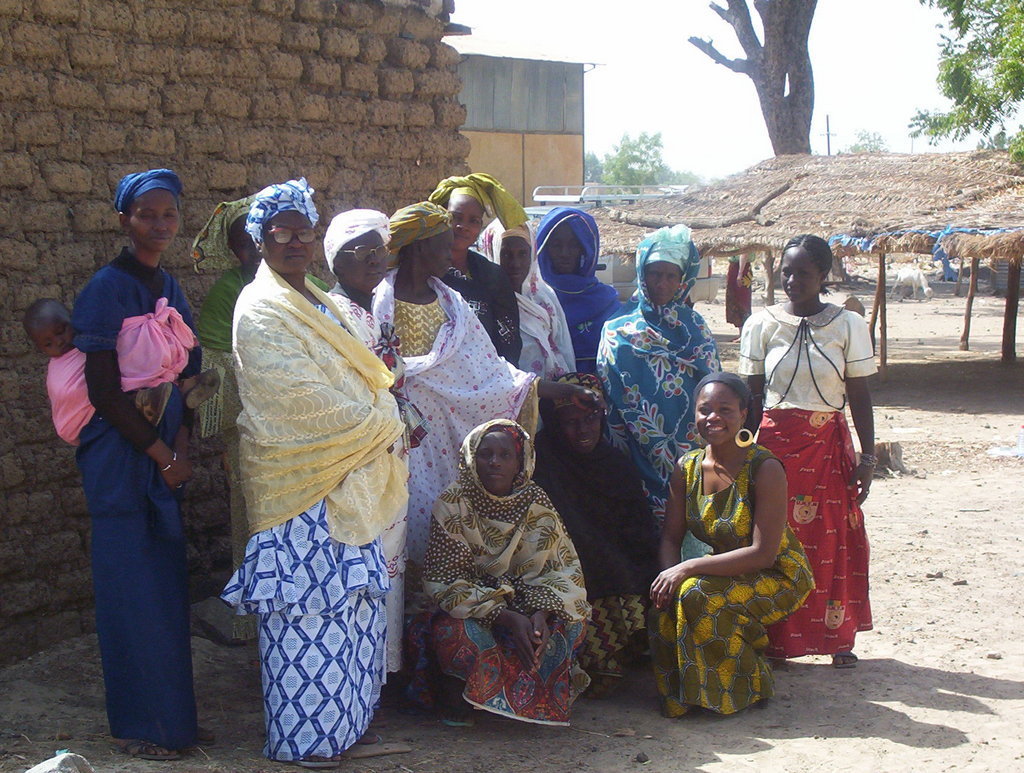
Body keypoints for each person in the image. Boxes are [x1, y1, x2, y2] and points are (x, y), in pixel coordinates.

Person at [221, 179, 410, 766]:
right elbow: (302, 406)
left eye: (305, 229)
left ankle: (344, 730)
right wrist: (384, 420)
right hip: (300, 488)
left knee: (350, 616)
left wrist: (377, 409)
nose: (295, 241)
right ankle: (303, 743)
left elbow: (362, 375)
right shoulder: (260, 310)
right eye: (282, 231)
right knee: (305, 625)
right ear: (260, 239)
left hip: (344, 484)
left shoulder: (319, 299)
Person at [372, 203, 599, 568]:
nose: (452, 253)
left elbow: (492, 374)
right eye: (443, 245)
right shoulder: (376, 303)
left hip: (445, 441)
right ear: (418, 248)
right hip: (395, 438)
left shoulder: (453, 305)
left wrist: (563, 391)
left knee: (441, 524)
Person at [70, 168, 202, 760]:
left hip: (164, 458)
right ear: (125, 221)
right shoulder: (105, 289)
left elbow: (190, 376)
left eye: (168, 214)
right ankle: (141, 728)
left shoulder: (170, 285)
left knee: (166, 590)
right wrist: (160, 453)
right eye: (147, 215)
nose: (159, 225)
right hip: (123, 460)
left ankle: (174, 725)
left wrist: (185, 449)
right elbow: (103, 390)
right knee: (132, 590)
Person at [739, 234, 876, 669]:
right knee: (775, 537)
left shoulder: (848, 325)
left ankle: (836, 636)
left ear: (823, 276)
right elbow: (752, 398)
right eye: (786, 272)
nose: (792, 280)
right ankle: (777, 639)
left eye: (802, 272)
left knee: (833, 538)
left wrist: (868, 458)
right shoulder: (760, 325)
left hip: (826, 447)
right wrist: (741, 455)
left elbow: (860, 395)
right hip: (775, 449)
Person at [649, 372, 814, 717]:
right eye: (705, 409)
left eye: (725, 409)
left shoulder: (763, 467)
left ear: (743, 414)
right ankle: (685, 696)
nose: (714, 418)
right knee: (666, 601)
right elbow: (670, 536)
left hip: (777, 574)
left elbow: (762, 553)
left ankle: (744, 687)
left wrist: (688, 567)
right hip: (728, 570)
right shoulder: (688, 467)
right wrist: (668, 578)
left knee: (698, 593)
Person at [414, 419, 591, 726]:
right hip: (473, 605)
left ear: (520, 461)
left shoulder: (537, 503)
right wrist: (504, 615)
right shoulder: (453, 503)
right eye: (486, 454)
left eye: (505, 455)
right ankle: (460, 700)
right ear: (471, 458)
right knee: (454, 631)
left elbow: (563, 570)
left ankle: (532, 703)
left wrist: (541, 615)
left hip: (529, 601)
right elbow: (444, 581)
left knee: (574, 622)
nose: (495, 462)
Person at [323, 207, 422, 674]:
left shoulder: (372, 310)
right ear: (335, 262)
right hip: (358, 461)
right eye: (358, 253)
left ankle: (381, 672)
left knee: (388, 564)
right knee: (362, 564)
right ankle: (359, 675)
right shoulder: (331, 315)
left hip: (390, 459)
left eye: (378, 250)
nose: (372, 260)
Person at [597, 225, 720, 559]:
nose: (662, 283)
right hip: (635, 458)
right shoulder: (617, 330)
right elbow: (612, 401)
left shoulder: (696, 328)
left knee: (693, 543)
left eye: (670, 275)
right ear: (642, 274)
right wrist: (647, 447)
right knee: (641, 545)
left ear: (684, 279)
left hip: (691, 455)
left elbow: (714, 391)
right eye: (654, 274)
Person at [533, 373, 658, 695]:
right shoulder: (541, 462)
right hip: (564, 571)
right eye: (571, 421)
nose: (583, 430)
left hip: (613, 570)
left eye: (591, 419)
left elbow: (639, 531)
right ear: (554, 422)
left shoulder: (614, 464)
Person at [23, 298, 210, 445]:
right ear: (40, 349)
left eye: (61, 330)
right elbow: (70, 394)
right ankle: (159, 397)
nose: (58, 342)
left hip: (128, 405)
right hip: (94, 422)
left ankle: (178, 387)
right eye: (48, 344)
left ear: (73, 319)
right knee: (117, 393)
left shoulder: (92, 341)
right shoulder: (58, 370)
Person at [428, 173, 522, 363]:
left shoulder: (493, 277)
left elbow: (509, 340)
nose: (463, 226)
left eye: (474, 221)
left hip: (487, 380)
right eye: (456, 217)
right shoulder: (424, 271)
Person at [480, 217, 575, 378]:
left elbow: (563, 346)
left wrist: (571, 386)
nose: (515, 263)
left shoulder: (544, 297)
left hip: (554, 394)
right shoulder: (484, 303)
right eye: (506, 254)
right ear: (493, 253)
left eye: (523, 254)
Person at [535, 206, 621, 374]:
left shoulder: (606, 302)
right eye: (556, 245)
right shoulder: (534, 299)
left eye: (573, 245)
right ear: (545, 248)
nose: (564, 253)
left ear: (585, 248)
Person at [725, 254, 753, 335]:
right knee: (735, 298)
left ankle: (744, 333)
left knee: (741, 299)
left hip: (740, 268)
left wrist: (740, 273)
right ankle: (741, 332)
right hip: (737, 268)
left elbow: (744, 253)